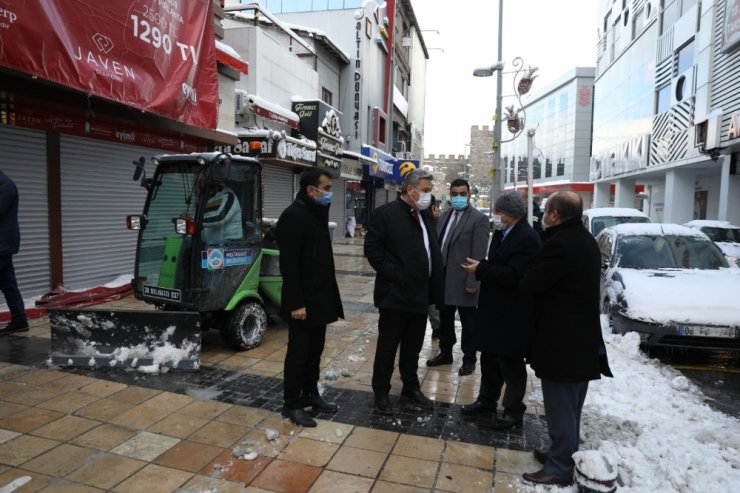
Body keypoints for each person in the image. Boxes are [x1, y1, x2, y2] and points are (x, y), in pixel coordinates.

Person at [519, 191, 613, 487]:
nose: (543, 216)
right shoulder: (586, 240)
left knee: (561, 407)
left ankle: (559, 467)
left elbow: (530, 285)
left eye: (546, 211)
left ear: (555, 215)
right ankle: (561, 452)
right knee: (571, 406)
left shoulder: (560, 245)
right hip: (581, 340)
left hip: (562, 341)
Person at [364, 168, 444, 415]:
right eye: (426, 191)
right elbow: (373, 251)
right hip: (395, 295)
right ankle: (381, 393)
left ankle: (411, 388)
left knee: (413, 346)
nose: (429, 196)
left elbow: (430, 250)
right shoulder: (385, 215)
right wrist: (399, 276)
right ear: (411, 190)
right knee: (388, 347)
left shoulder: (425, 216)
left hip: (420, 296)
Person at [460, 192, 541, 429]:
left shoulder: (527, 238)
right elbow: (497, 265)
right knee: (490, 359)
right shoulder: (501, 233)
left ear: (509, 214)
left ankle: (514, 410)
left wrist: (481, 270)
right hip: (493, 310)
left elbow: (515, 276)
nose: (495, 217)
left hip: (511, 313)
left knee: (511, 364)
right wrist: (484, 267)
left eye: (498, 213)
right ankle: (486, 400)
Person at [276, 168, 344, 427]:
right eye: (325, 188)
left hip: (320, 299)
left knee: (315, 351)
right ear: (311, 190)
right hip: (302, 301)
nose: (329, 193)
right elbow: (289, 266)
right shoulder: (293, 216)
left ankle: (311, 394)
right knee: (298, 354)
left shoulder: (316, 212)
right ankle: (291, 404)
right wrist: (296, 303)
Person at [426, 179, 489, 376]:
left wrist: (473, 281)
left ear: (469, 194)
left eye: (462, 193)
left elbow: (478, 255)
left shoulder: (478, 219)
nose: (458, 197)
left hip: (464, 280)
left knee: (469, 322)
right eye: (454, 194)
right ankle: (445, 352)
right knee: (445, 320)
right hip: (444, 279)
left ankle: (469, 359)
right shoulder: (445, 215)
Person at [0, 171, 28, 335]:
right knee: (8, 283)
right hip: (3, 243)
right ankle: (19, 319)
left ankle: (19, 319)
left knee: (8, 283)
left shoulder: (5, 184)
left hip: (2, 243)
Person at [427, 194, 441, 340]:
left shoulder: (436, 220)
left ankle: (437, 328)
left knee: (432, 305)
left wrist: (436, 220)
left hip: (432, 272)